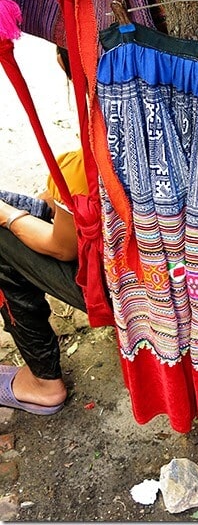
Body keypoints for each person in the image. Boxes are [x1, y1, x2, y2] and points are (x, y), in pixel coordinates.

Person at [0, 148, 89, 415]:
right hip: (193, 275)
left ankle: (43, 384)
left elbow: (62, 248)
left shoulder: (87, 161)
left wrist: (7, 215)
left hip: (130, 291)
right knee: (31, 208)